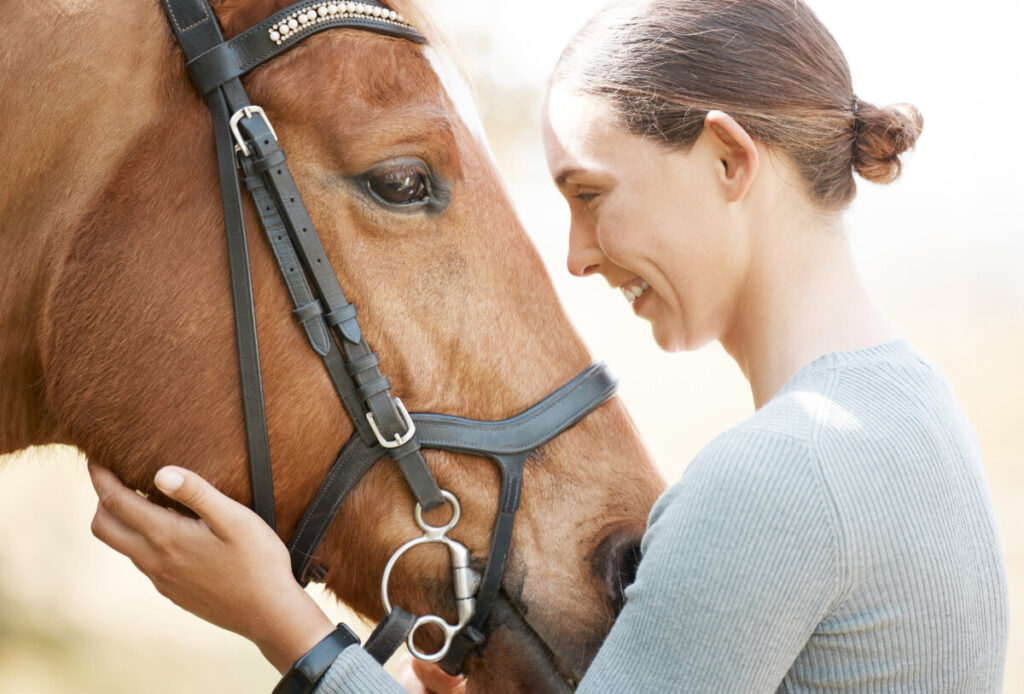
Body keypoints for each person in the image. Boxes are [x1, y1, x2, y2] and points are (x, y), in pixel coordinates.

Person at [88, 0, 1009, 692]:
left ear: (728, 161)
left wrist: (289, 629)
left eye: (592, 195)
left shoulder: (776, 479)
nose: (574, 256)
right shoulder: (920, 419)